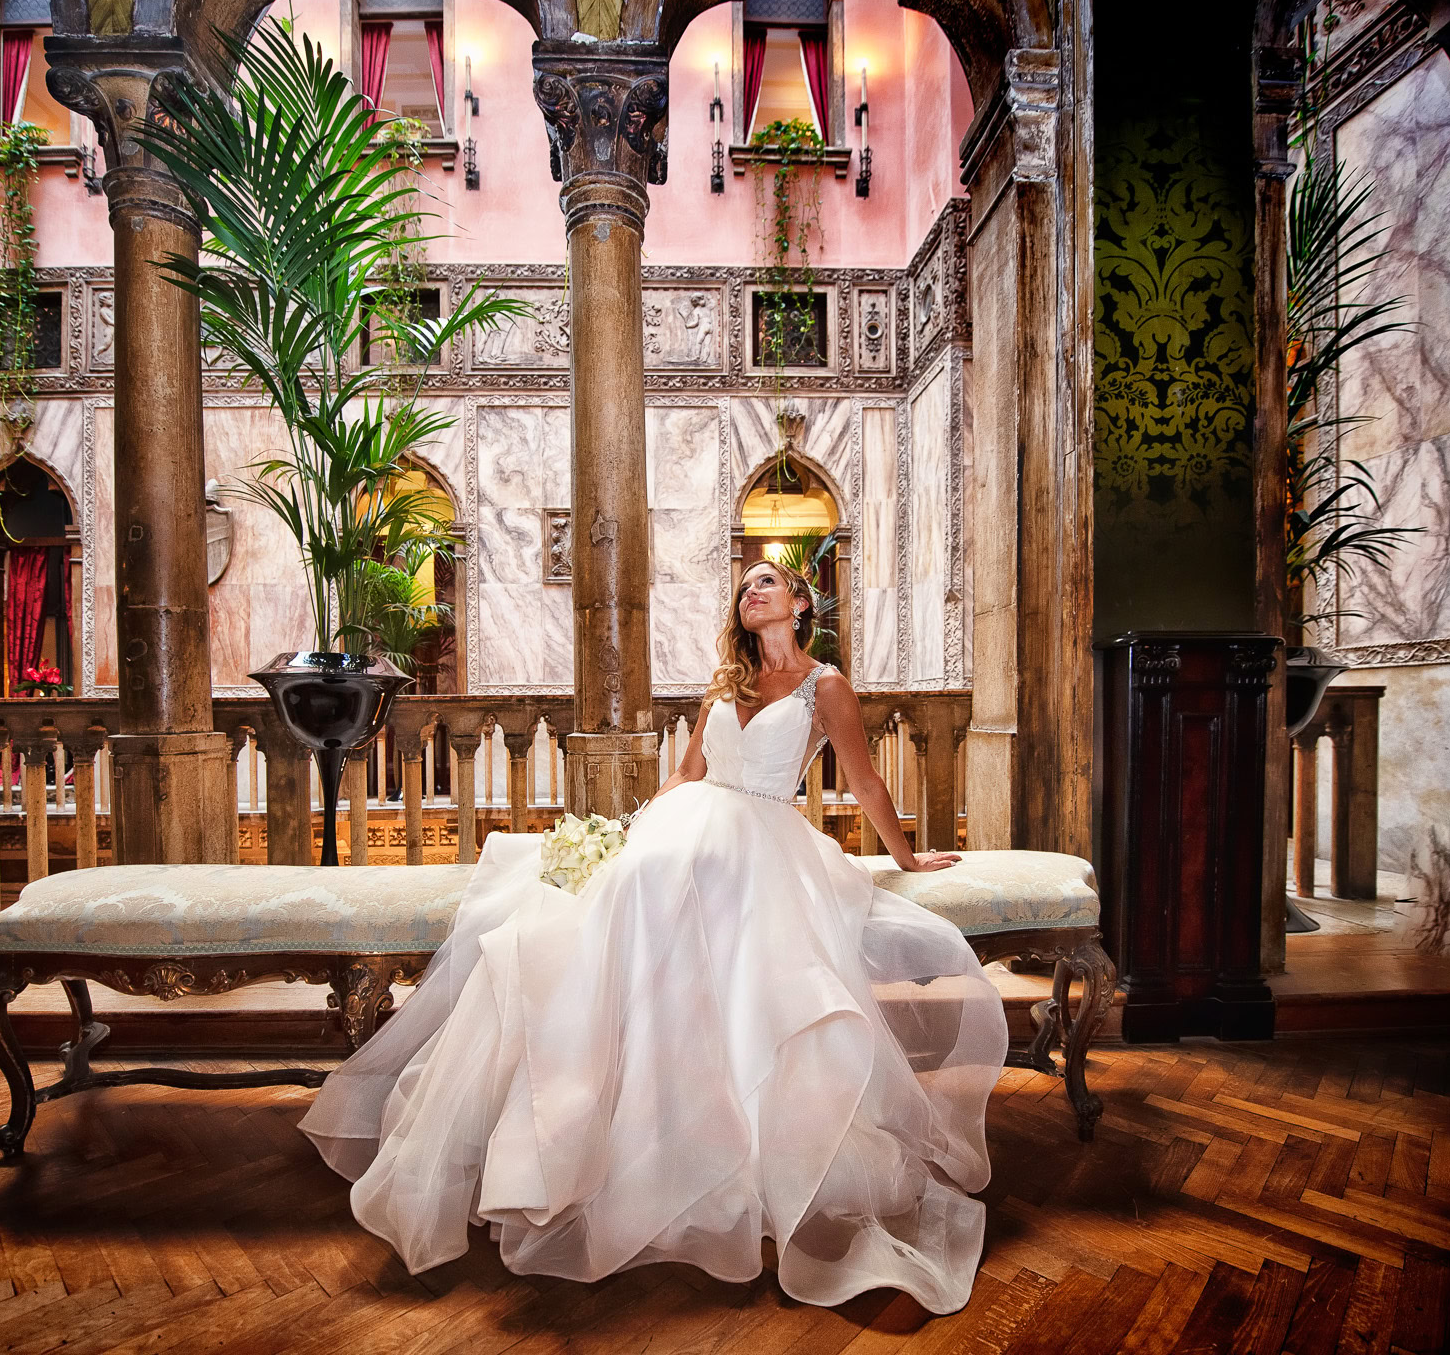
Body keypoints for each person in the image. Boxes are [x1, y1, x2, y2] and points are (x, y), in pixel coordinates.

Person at [300, 560, 1008, 1314]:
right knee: (613, 895)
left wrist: (906, 856)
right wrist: (625, 831)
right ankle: (583, 1114)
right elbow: (687, 774)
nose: (752, 594)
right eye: (744, 588)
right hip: (689, 823)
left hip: (763, 843)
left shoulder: (823, 686)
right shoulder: (723, 685)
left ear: (801, 604)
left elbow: (864, 781)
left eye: (767, 583)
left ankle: (723, 1148)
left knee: (688, 915)